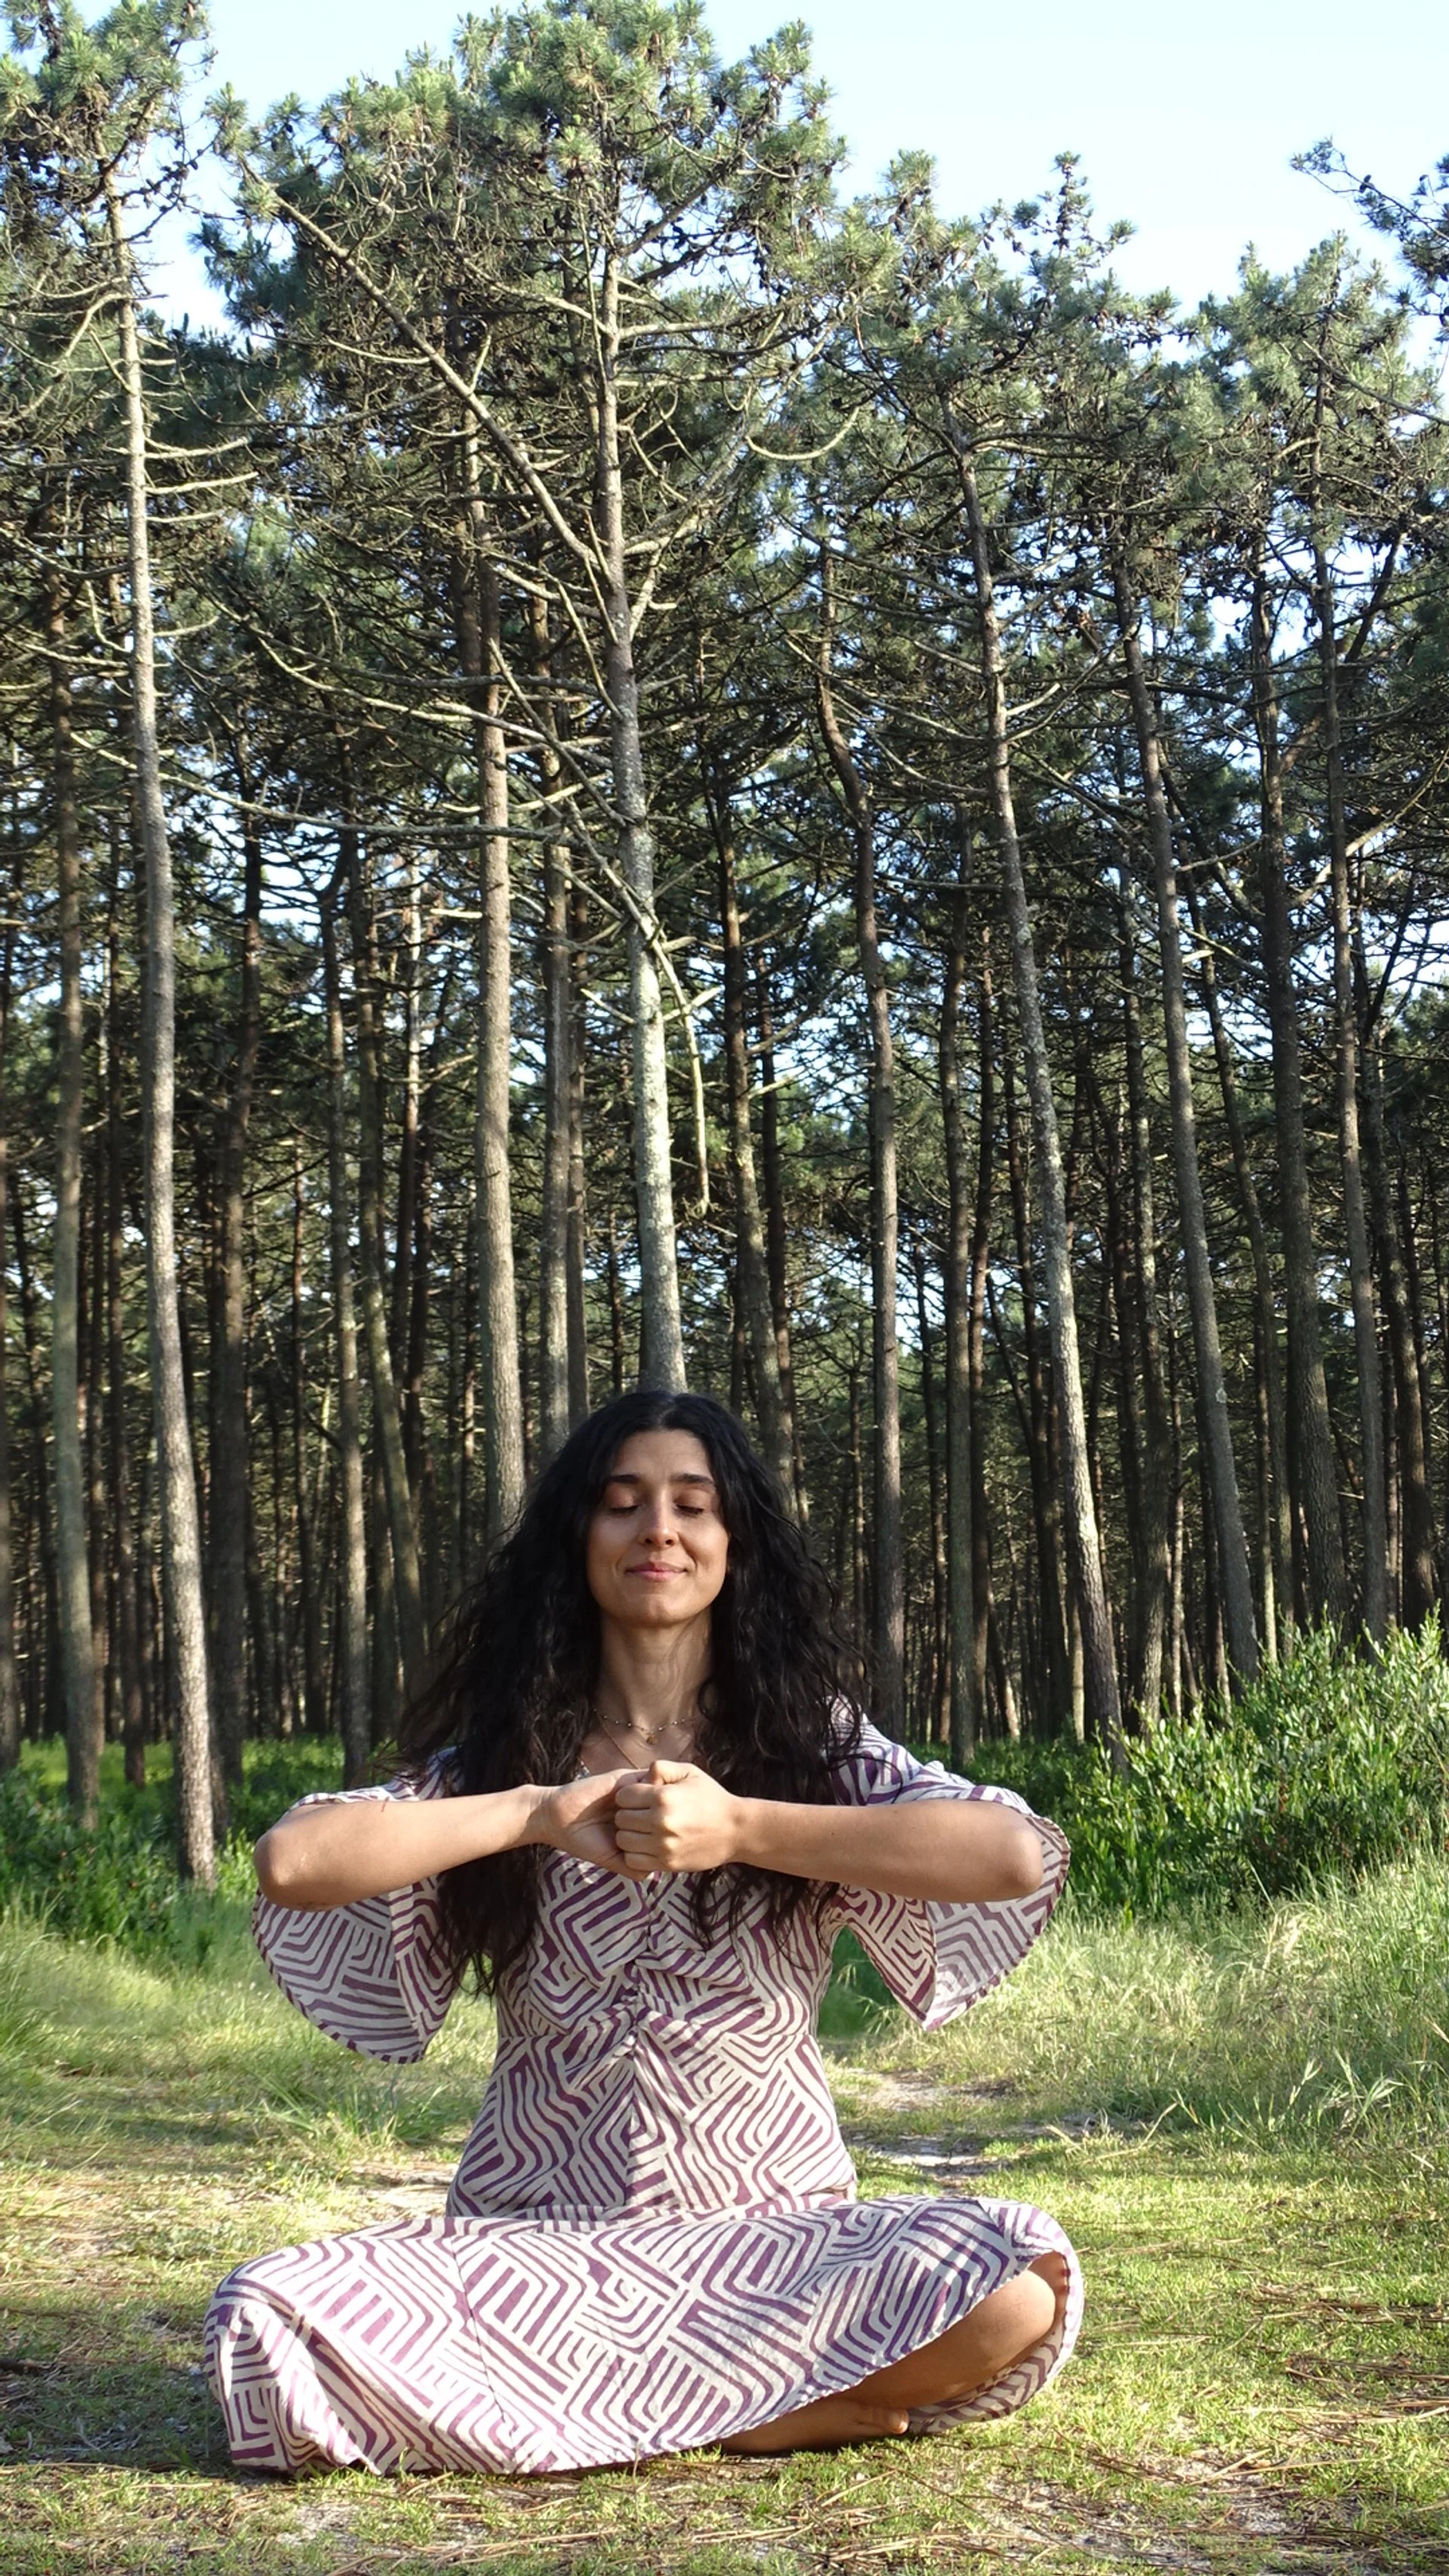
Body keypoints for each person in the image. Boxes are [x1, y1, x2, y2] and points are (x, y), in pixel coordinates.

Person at [207, 1390, 1080, 2476]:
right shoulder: (503, 1759)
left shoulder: (810, 1747)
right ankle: (756, 2412)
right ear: (581, 1540)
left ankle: (630, 2417)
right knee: (261, 2314)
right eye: (621, 1505)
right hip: (537, 2253)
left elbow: (1010, 1855)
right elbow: (294, 1863)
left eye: (691, 1506)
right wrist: (535, 1812)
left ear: (733, 1544)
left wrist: (744, 1825)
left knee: (1014, 2283)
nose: (657, 1530)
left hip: (767, 2250)